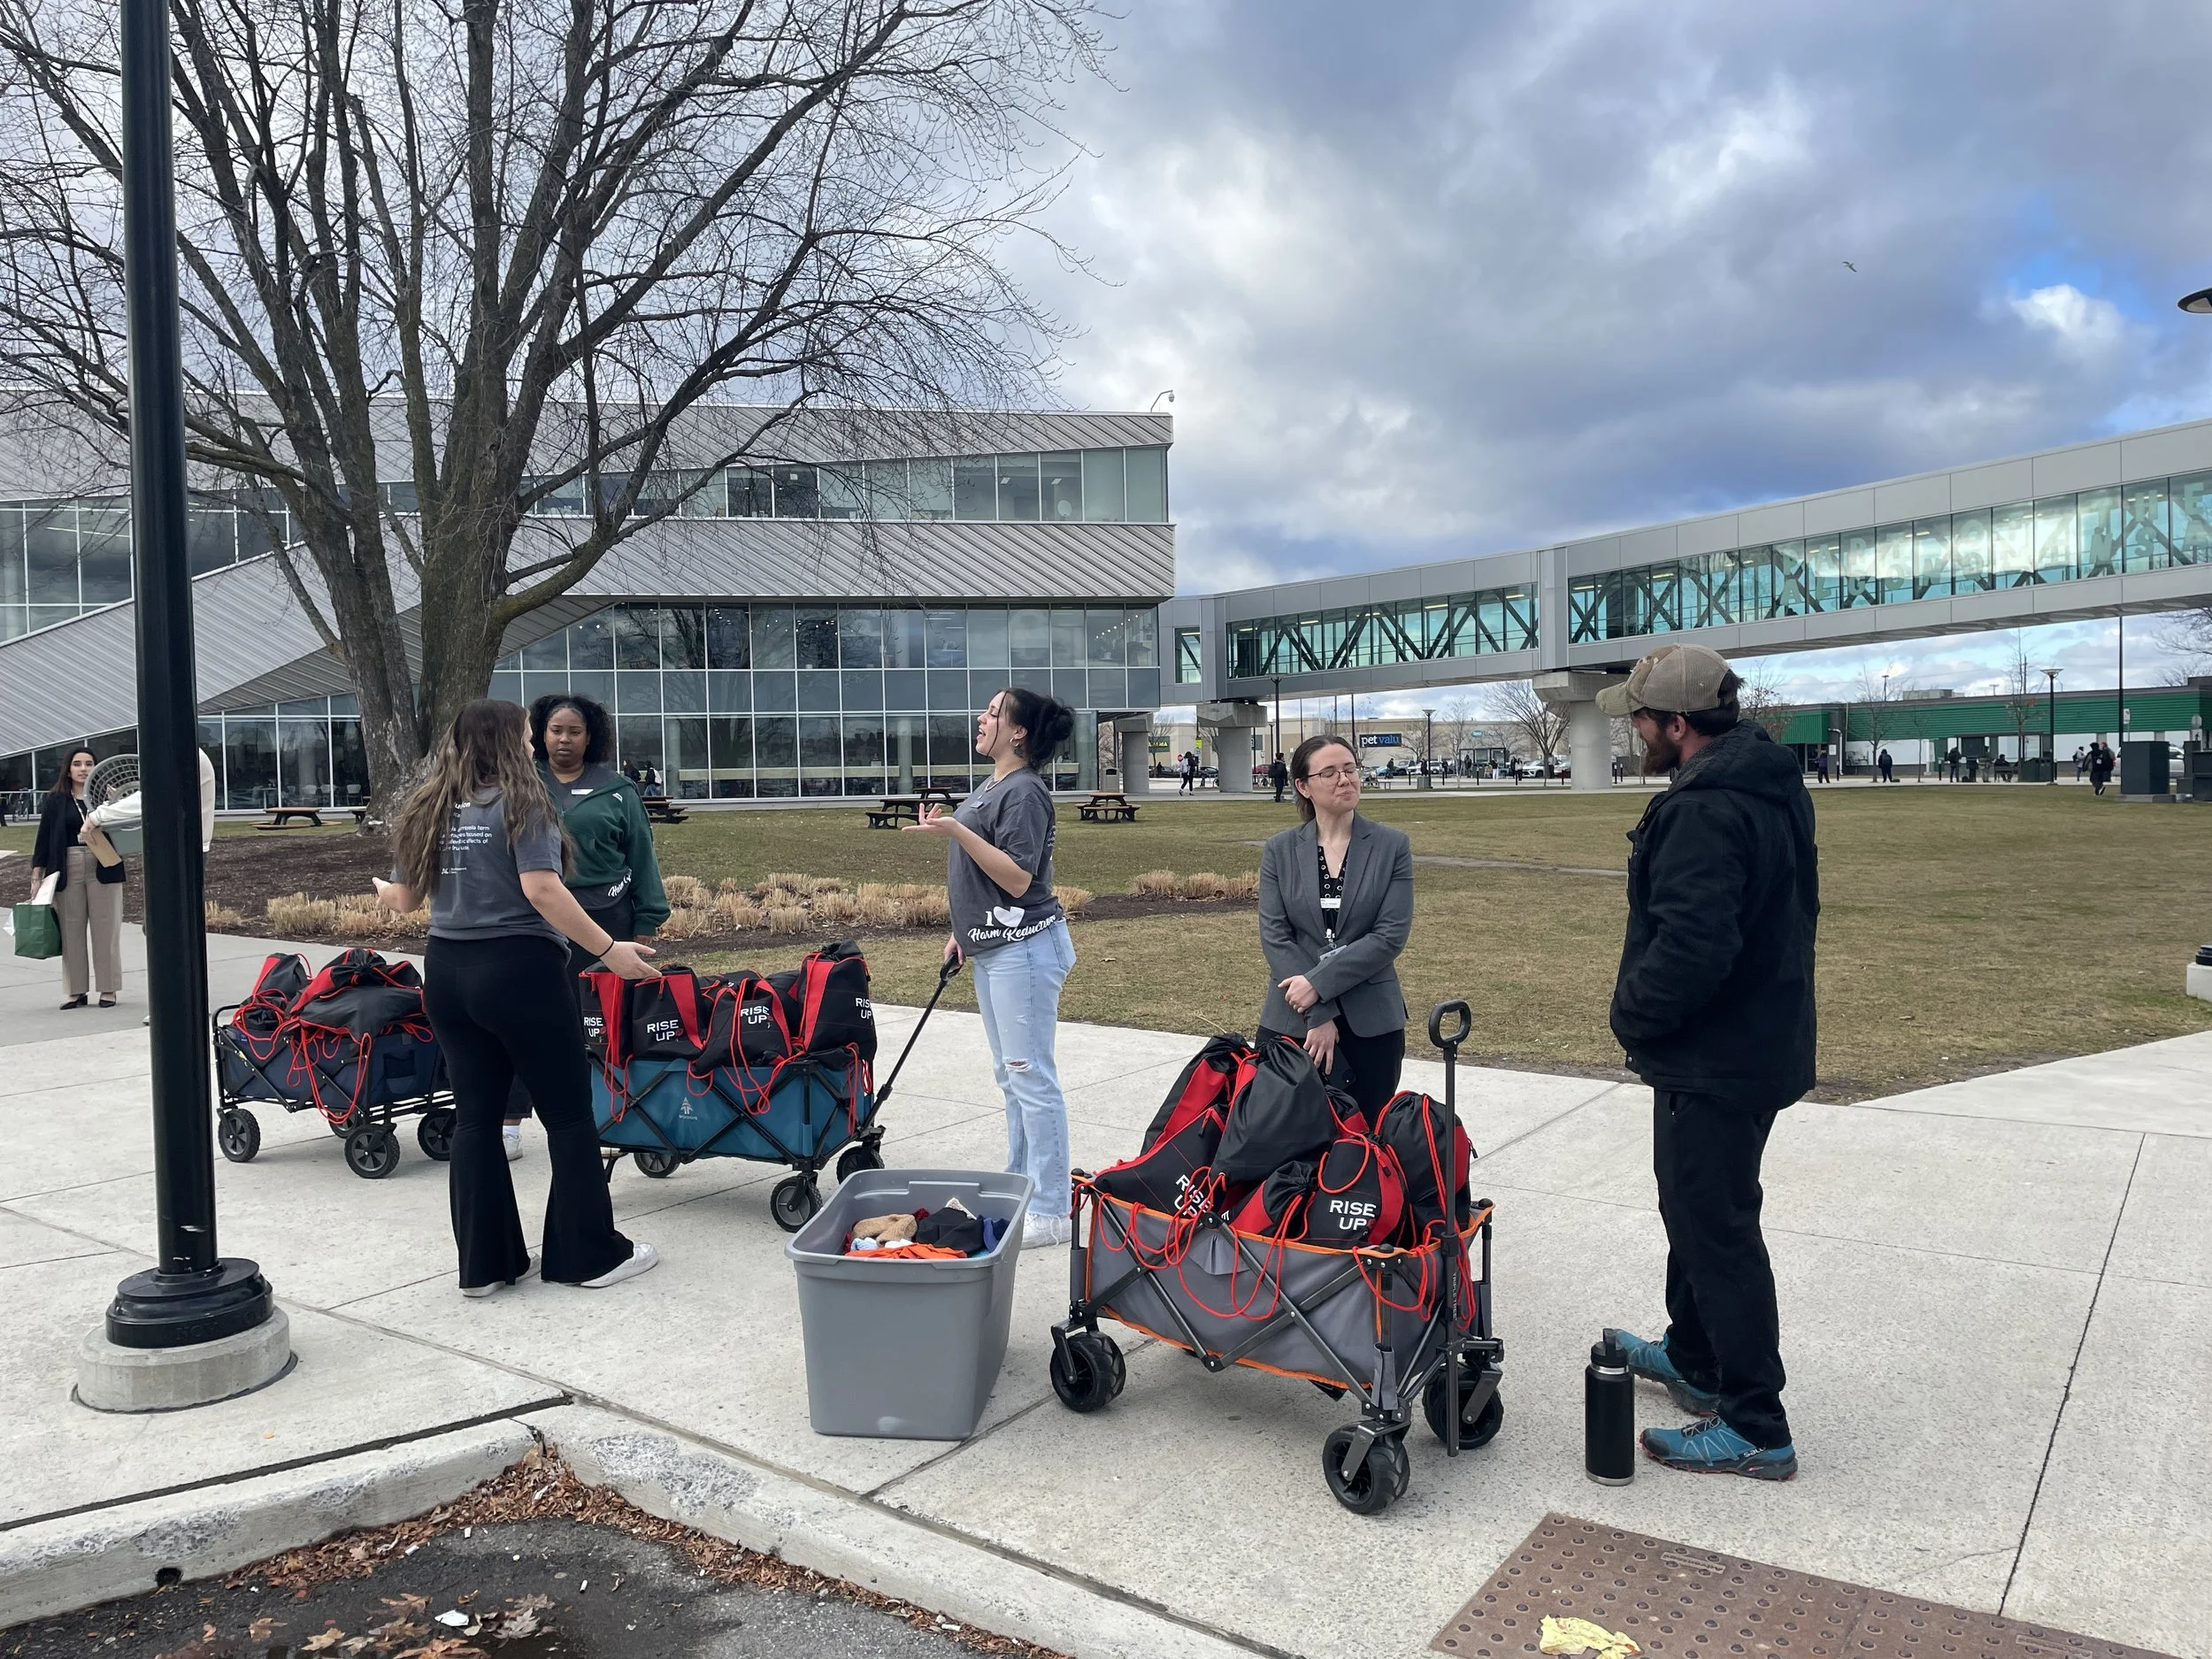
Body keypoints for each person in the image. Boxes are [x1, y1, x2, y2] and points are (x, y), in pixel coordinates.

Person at [1593, 643, 1816, 1482]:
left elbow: (1695, 946)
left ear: (1678, 725)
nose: (1635, 732)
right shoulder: (1762, 781)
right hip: (1749, 1043)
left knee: (1716, 1230)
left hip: (1718, 1057)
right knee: (1693, 1209)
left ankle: (1756, 1422)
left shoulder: (1706, 810)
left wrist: (1631, 1013)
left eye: (1642, 719)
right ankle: (1694, 1354)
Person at [373, 698, 662, 1296]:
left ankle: (484, 1266)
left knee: (475, 1118)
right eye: (529, 733)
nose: (535, 742)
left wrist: (382, 885)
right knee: (569, 1116)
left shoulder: (428, 806)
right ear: (509, 740)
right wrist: (612, 949)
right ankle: (587, 1257)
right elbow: (542, 890)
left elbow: (401, 900)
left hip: (448, 971)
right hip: (519, 970)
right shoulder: (525, 801)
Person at [905, 688, 1079, 1247]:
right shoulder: (995, 785)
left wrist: (957, 830)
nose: (981, 719)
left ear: (1019, 731)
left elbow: (1018, 878)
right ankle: (1024, 1186)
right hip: (996, 949)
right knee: (1013, 1077)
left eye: (993, 713)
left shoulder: (1025, 791)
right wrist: (965, 932)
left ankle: (1052, 1210)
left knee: (1032, 1079)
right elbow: (987, 883)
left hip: (1025, 950)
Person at [500, 695, 671, 1162]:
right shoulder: (518, 785)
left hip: (607, 921)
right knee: (526, 1021)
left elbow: (642, 858)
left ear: (590, 736)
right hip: (536, 921)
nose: (564, 740)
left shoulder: (617, 790)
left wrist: (647, 921)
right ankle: (510, 1122)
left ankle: (612, 1118)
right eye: (555, 730)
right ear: (539, 734)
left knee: (604, 1027)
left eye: (574, 731)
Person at [1256, 734, 1416, 1126]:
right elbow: (1276, 936)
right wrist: (1318, 1010)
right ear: (1303, 786)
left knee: (1362, 1144)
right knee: (1279, 1143)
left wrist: (1319, 986)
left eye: (1350, 768)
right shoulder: (1280, 850)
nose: (1345, 779)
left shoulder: (1391, 846)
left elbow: (1388, 936)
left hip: (1371, 1025)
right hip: (1292, 1022)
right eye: (1329, 772)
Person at [28, 746, 125, 1010]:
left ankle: (108, 989)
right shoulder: (56, 799)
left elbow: (127, 830)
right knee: (71, 931)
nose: (83, 769)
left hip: (104, 863)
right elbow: (44, 839)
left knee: (107, 930)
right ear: (68, 770)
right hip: (67, 865)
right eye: (78, 764)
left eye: (89, 763)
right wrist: (37, 875)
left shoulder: (108, 799)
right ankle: (75, 991)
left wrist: (113, 804)